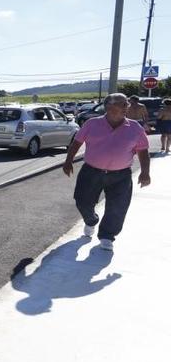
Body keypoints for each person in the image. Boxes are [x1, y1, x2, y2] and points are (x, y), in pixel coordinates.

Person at [63, 93, 150, 251]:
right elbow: (77, 143)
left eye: (127, 104)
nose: (127, 107)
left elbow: (143, 151)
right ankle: (90, 221)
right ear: (109, 107)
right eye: (123, 104)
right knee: (82, 201)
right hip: (91, 171)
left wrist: (145, 172)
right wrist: (68, 161)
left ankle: (107, 236)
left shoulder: (135, 128)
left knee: (118, 206)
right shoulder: (92, 124)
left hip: (121, 175)